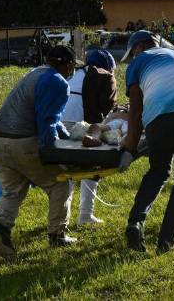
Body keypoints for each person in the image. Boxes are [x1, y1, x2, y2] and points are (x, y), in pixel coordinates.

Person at [0, 45, 80, 258]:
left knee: (13, 191)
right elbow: (47, 123)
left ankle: (1, 226)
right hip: (23, 142)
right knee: (60, 182)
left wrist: (69, 138)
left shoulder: (35, 73)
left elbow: (52, 120)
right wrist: (56, 153)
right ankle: (57, 235)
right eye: (72, 66)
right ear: (67, 64)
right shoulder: (57, 81)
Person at [119, 30, 174, 254]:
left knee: (158, 171)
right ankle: (167, 241)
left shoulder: (137, 63)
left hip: (158, 117)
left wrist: (130, 149)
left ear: (137, 48)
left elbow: (136, 109)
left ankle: (135, 222)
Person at [61, 49, 117, 226]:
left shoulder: (72, 73)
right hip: (83, 125)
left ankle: (62, 218)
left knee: (68, 171)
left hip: (61, 124)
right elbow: (107, 108)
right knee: (92, 167)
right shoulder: (104, 76)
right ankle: (85, 215)